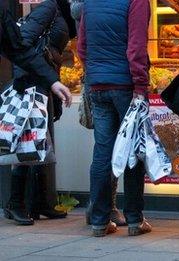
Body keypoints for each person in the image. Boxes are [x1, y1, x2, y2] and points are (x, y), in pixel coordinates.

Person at [78, 0, 152, 237]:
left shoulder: (89, 3)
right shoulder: (136, 2)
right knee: (132, 151)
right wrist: (141, 84)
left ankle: (99, 220)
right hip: (126, 86)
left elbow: (82, 47)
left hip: (98, 86)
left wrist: (95, 73)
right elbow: (136, 47)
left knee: (102, 152)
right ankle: (134, 219)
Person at [2, 0, 75, 226]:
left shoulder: (64, 12)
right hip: (31, 82)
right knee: (27, 141)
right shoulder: (49, 8)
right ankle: (15, 203)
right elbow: (20, 42)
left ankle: (41, 202)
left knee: (42, 141)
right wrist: (27, 81)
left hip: (45, 80)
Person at [69, 0, 127, 227]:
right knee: (119, 146)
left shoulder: (85, 6)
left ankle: (98, 209)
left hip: (96, 78)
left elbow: (81, 46)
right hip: (114, 80)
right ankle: (107, 207)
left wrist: (92, 68)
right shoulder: (92, 6)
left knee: (103, 148)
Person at [0, 2, 72, 105]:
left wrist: (53, 81)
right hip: (33, 84)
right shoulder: (48, 7)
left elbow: (18, 49)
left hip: (38, 82)